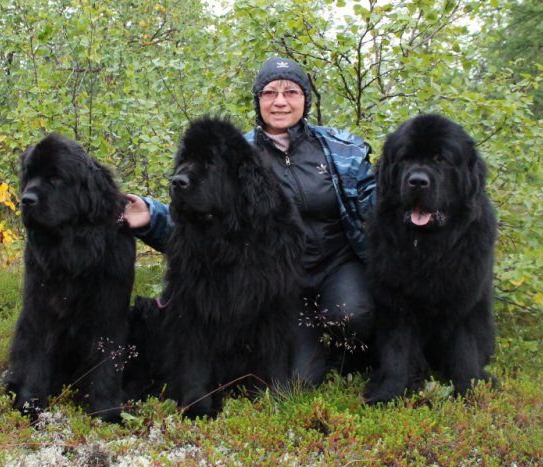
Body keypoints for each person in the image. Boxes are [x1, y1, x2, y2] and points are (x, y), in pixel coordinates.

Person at [124, 57, 376, 384]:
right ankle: (314, 350)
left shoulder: (341, 149)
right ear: (258, 100)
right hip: (281, 281)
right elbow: (204, 227)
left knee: (353, 313)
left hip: (336, 264)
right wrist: (151, 216)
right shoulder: (234, 153)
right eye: (270, 92)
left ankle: (351, 356)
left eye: (291, 92)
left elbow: (377, 203)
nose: (280, 101)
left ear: (306, 99)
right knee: (297, 382)